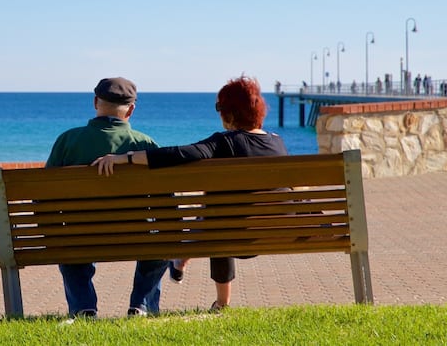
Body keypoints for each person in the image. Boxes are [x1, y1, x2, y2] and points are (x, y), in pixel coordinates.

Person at [91, 75, 288, 313]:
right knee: (222, 209)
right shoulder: (277, 143)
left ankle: (207, 285)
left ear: (230, 113)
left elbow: (178, 154)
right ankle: (201, 280)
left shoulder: (223, 142)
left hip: (228, 236)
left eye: (220, 108)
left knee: (221, 216)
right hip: (273, 233)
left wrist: (127, 157)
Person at [45, 77, 168, 318]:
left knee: (70, 246)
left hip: (80, 235)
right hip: (136, 235)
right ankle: (141, 306)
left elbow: (46, 194)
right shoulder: (145, 145)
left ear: (95, 103)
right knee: (160, 246)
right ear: (131, 109)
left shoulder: (67, 141)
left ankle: (83, 307)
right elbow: (166, 203)